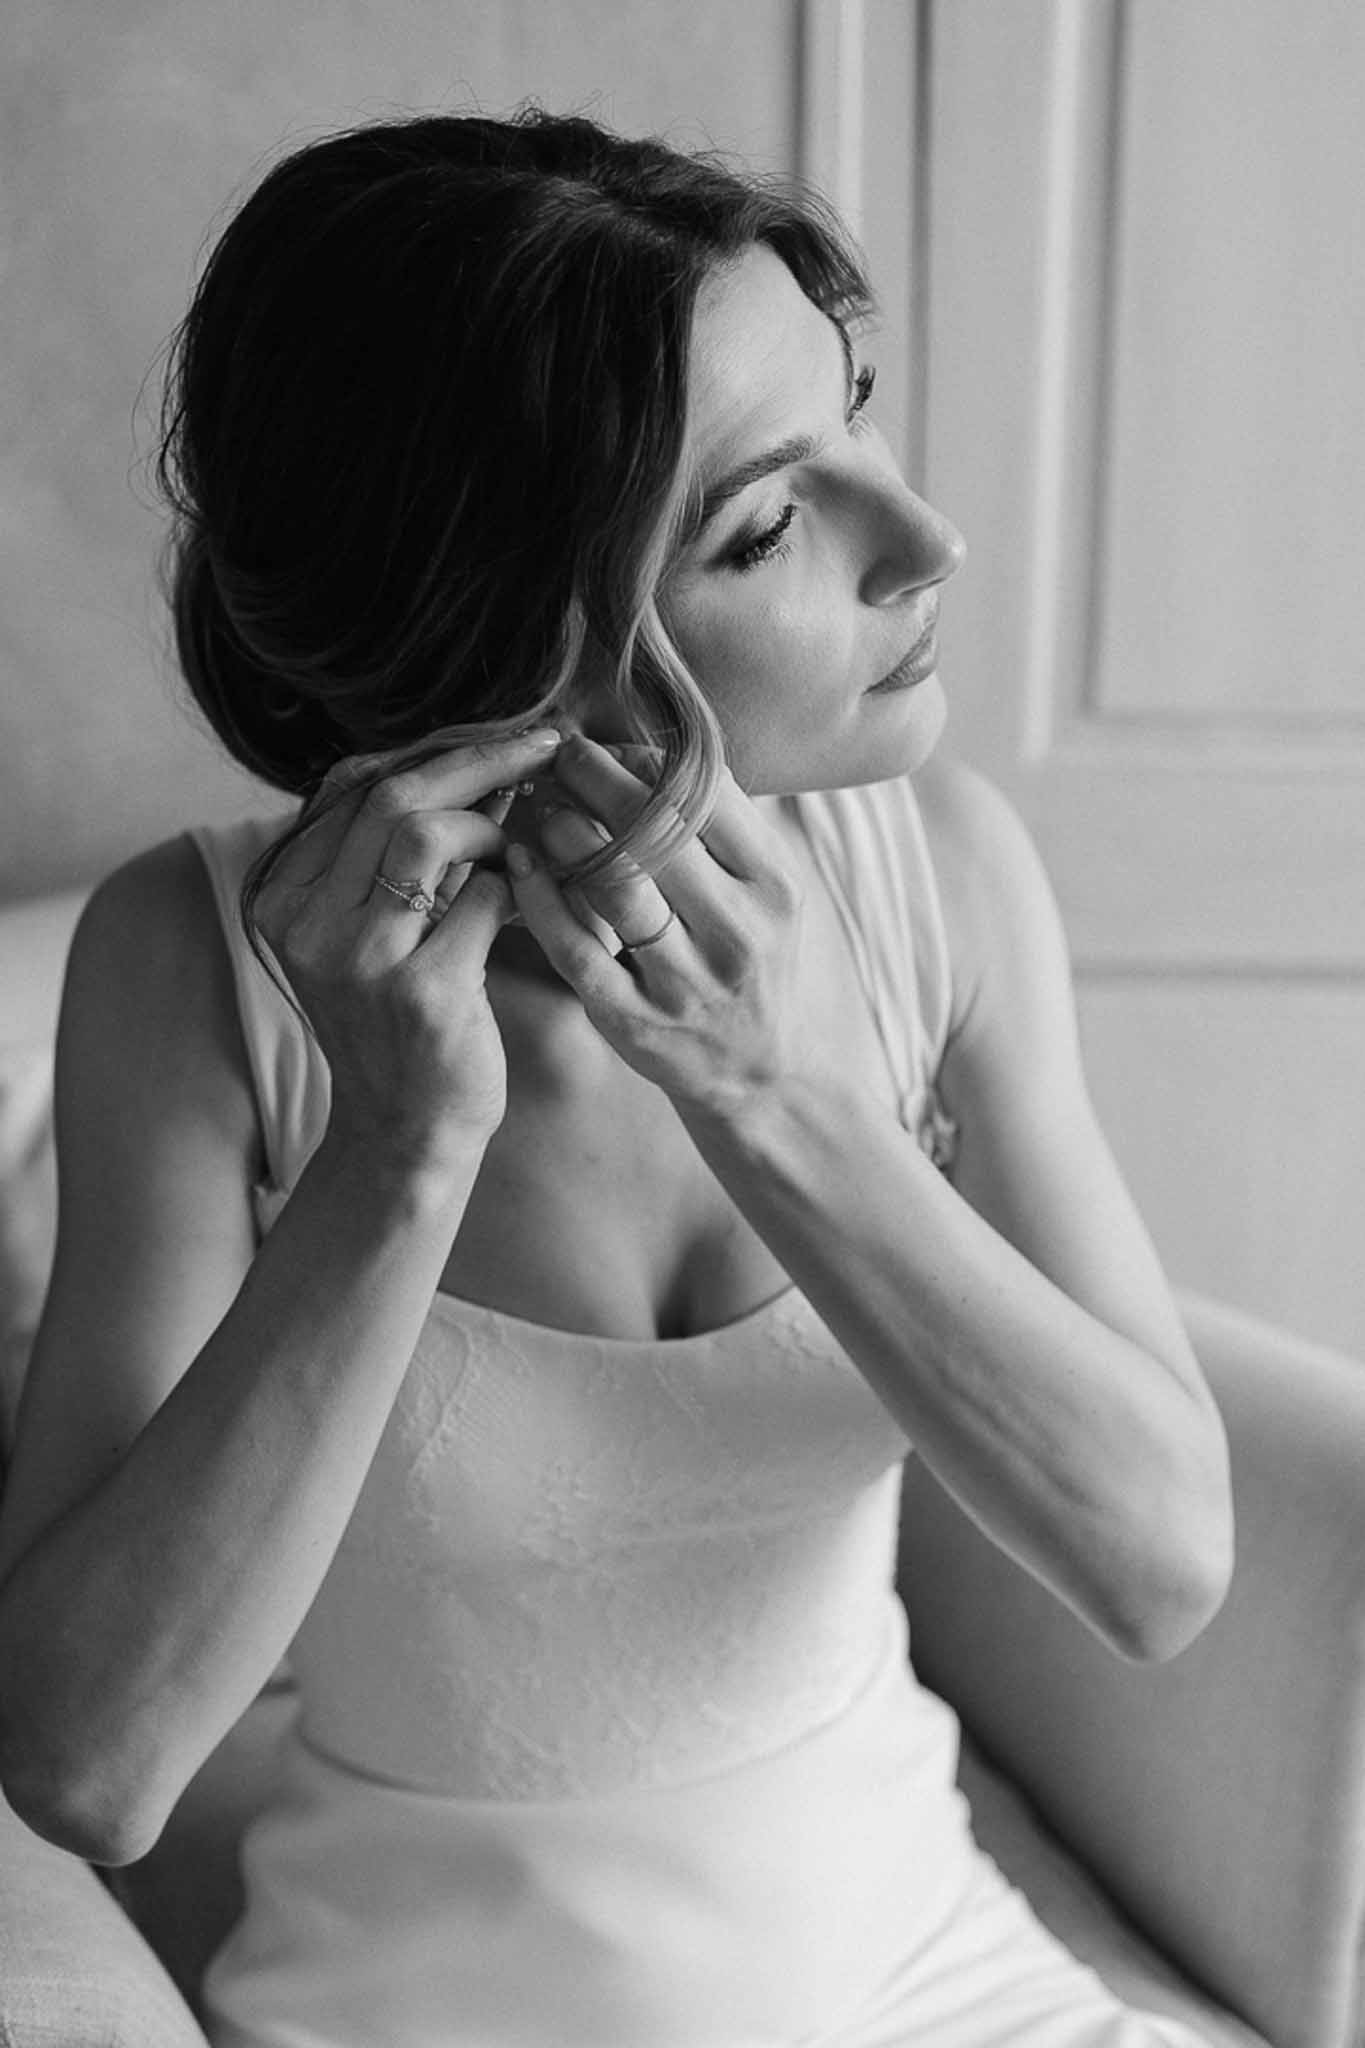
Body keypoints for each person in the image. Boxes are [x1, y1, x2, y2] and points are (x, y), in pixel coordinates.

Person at [0, 109, 1233, 2047]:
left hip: (944, 1987)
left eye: (860, 421)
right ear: (498, 659)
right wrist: (398, 1145)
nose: (923, 543)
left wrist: (790, 1101)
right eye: (764, 525)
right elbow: (91, 1762)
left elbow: (1158, 1563)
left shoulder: (942, 877)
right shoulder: (197, 973)